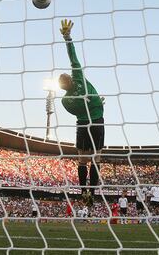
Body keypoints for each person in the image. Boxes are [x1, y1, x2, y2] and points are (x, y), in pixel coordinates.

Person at [59, 19, 105, 205]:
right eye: (67, 76)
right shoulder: (77, 78)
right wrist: (67, 37)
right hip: (96, 121)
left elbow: (77, 111)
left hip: (82, 125)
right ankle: (91, 193)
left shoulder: (65, 101)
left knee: (82, 160)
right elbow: (73, 56)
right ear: (69, 82)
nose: (69, 74)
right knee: (96, 157)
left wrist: (93, 103)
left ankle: (84, 191)